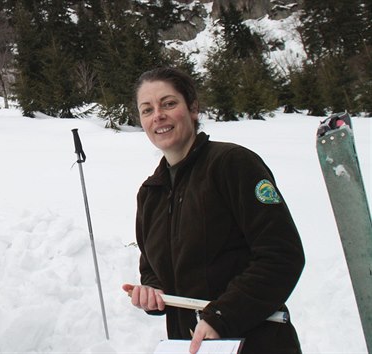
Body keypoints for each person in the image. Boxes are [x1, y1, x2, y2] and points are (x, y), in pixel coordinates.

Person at [122, 67, 305, 354]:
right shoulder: (151, 193)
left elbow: (281, 256)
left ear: (193, 108)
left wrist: (223, 317)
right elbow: (152, 270)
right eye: (147, 110)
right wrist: (151, 291)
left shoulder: (232, 164)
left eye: (168, 104)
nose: (158, 115)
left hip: (256, 342)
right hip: (191, 345)